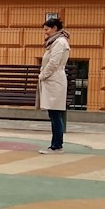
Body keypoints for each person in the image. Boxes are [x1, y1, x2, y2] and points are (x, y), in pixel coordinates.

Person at [38, 14, 70, 152]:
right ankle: (56, 144)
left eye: (47, 29)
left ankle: (56, 145)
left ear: (54, 28)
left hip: (54, 80)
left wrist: (43, 75)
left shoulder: (59, 42)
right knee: (54, 114)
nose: (45, 32)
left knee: (55, 114)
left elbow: (54, 62)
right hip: (53, 80)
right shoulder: (57, 41)